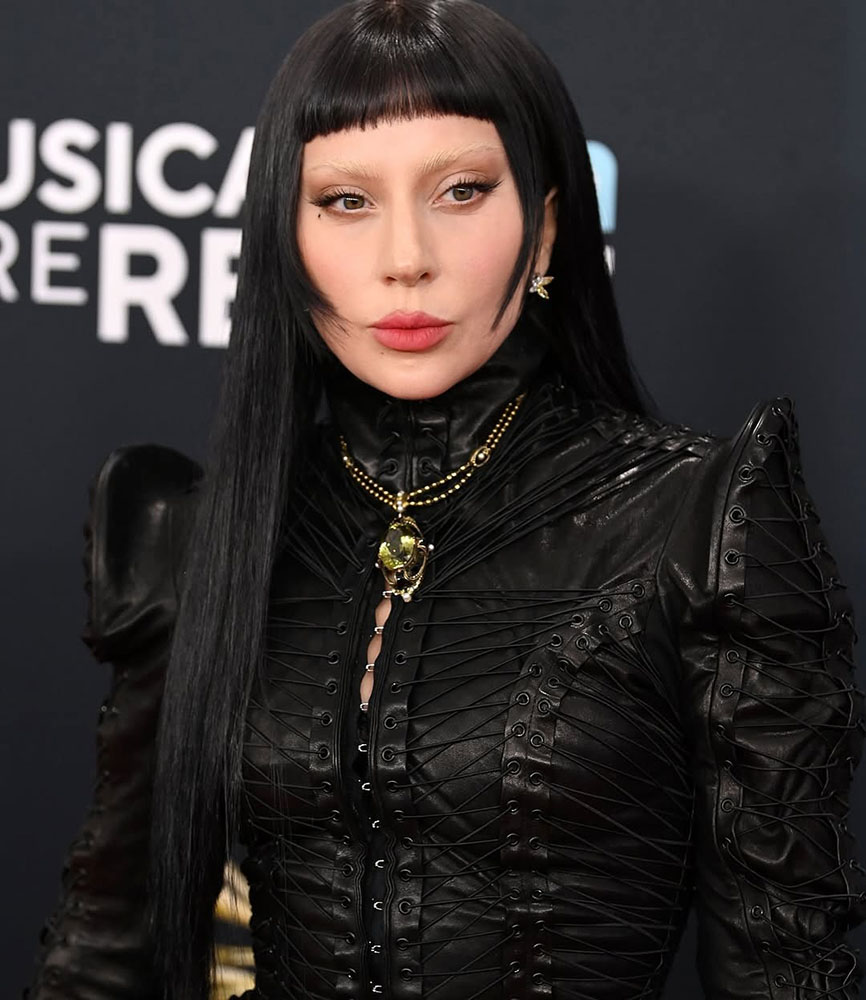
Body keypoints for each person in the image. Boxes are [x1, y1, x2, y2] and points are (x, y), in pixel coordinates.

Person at [25, 1, 866, 998]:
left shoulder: (696, 519)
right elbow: (103, 948)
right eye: (345, 200)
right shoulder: (200, 530)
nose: (405, 257)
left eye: (461, 190)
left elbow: (784, 961)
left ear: (545, 229)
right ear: (283, 236)